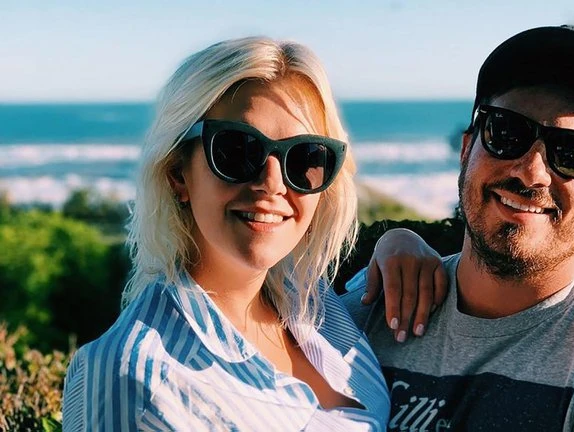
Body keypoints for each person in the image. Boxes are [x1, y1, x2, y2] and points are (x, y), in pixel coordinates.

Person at [343, 25, 574, 430]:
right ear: (466, 149)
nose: (532, 172)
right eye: (507, 132)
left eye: (573, 152)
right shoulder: (367, 313)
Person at [61, 36, 390, 431]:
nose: (272, 183)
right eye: (238, 150)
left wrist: (401, 245)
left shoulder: (312, 302)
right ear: (178, 173)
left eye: (305, 158)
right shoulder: (135, 379)